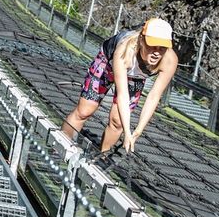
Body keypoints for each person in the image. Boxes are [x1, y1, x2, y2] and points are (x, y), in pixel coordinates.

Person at [63, 18, 179, 153]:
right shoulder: (125, 51)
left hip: (136, 76)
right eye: (152, 46)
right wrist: (128, 131)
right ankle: (60, 143)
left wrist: (137, 130)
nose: (156, 52)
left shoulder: (170, 60)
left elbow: (154, 96)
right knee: (84, 111)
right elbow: (122, 95)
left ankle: (101, 158)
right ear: (141, 39)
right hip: (108, 62)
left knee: (118, 121)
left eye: (162, 48)